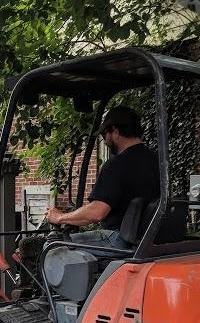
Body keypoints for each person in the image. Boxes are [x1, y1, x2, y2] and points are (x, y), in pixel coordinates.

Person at [45, 106, 160, 250]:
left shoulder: (116, 165)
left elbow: (97, 212)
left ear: (115, 131)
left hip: (121, 239)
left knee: (53, 247)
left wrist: (60, 217)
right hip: (149, 239)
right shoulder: (157, 161)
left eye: (105, 134)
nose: (105, 140)